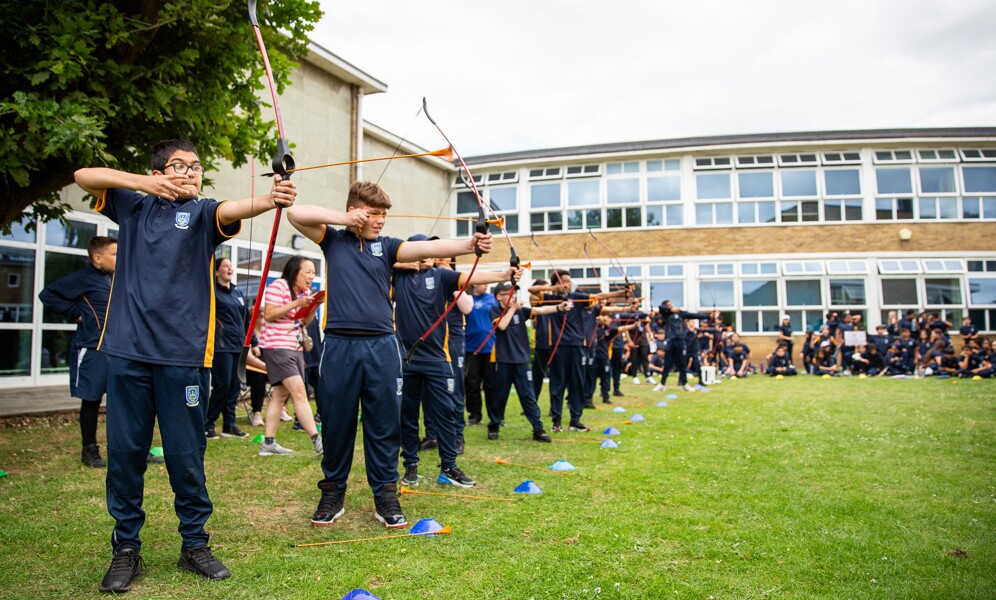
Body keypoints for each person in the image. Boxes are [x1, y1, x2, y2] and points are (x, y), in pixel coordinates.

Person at [75, 138, 296, 591]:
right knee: (125, 456)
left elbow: (238, 207)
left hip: (184, 357)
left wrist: (271, 198)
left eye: (196, 168)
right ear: (158, 171)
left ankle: (194, 543)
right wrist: (145, 183)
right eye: (179, 166)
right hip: (127, 353)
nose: (189, 173)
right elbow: (83, 176)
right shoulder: (132, 206)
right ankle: (126, 549)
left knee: (186, 457)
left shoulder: (202, 214)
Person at [286, 180, 494, 530]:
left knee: (383, 424)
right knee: (337, 424)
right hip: (339, 346)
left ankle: (385, 494)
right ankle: (333, 492)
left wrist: (470, 243)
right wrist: (344, 218)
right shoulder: (333, 240)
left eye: (384, 214)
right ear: (357, 211)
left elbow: (431, 247)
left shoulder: (389, 247)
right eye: (375, 214)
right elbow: (294, 213)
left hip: (382, 346)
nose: (381, 220)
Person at [394, 239, 516, 489]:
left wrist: (504, 274)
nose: (426, 254)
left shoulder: (442, 275)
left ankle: (448, 466)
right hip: (405, 359)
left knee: (446, 413)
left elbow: (472, 276)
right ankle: (410, 465)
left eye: (429, 251)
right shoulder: (396, 274)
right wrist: (402, 263)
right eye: (420, 250)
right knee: (407, 416)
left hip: (438, 358)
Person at [39, 236, 117, 467]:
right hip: (91, 349)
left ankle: (130, 449)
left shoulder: (113, 279)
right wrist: (76, 313)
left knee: (123, 401)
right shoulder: (83, 278)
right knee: (91, 401)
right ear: (97, 257)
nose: (119, 258)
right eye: (114, 254)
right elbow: (48, 295)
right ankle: (89, 451)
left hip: (116, 349)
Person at [528, 270, 628, 433]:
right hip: (558, 346)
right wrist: (556, 289)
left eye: (570, 281)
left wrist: (622, 292)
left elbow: (601, 296)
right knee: (557, 384)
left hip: (577, 345)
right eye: (565, 281)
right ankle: (557, 421)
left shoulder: (577, 298)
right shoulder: (551, 298)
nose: (569, 284)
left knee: (577, 383)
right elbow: (531, 292)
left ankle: (575, 420)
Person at [257, 256, 322, 457]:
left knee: (280, 395)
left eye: (313, 272)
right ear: (295, 271)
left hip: (294, 346)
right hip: (277, 347)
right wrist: (297, 302)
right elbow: (268, 314)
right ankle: (317, 441)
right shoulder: (278, 286)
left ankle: (268, 443)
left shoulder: (304, 292)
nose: (312, 276)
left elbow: (302, 321)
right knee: (300, 391)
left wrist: (314, 305)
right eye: (308, 271)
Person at [487, 281, 567, 441]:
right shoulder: (495, 310)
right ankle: (494, 425)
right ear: (499, 297)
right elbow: (502, 326)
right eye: (508, 294)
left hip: (522, 360)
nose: (513, 296)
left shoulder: (521, 311)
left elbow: (541, 309)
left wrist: (559, 307)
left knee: (528, 395)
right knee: (499, 395)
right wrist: (513, 309)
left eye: (514, 293)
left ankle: (538, 428)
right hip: (503, 360)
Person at [204, 258, 248, 440]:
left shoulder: (237, 292)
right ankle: (208, 423)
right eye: (225, 266)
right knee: (222, 385)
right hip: (221, 345)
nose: (230, 268)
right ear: (216, 272)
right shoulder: (212, 291)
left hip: (238, 344)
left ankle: (229, 424)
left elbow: (245, 319)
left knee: (235, 386)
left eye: (231, 265)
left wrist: (249, 341)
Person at [656, 300, 712, 391]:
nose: (672, 306)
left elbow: (694, 315)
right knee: (667, 363)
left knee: (682, 363)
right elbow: (660, 307)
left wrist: (708, 316)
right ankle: (662, 384)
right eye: (669, 305)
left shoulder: (681, 314)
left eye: (672, 304)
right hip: (671, 341)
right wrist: (671, 309)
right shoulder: (666, 315)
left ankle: (685, 384)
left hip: (681, 341)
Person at [464, 282, 499, 426]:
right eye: (482, 283)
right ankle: (474, 415)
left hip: (490, 347)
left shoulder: (491, 298)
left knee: (491, 384)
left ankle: (495, 415)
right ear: (474, 285)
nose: (485, 286)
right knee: (472, 383)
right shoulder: (467, 299)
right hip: (471, 348)